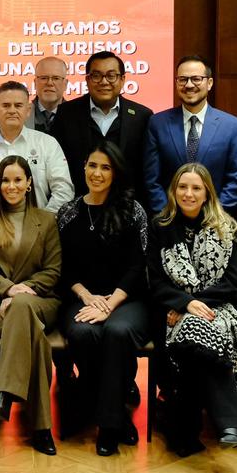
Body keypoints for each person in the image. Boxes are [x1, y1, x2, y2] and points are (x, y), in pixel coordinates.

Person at [149, 163, 237, 457]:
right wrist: (183, 303)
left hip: (217, 308)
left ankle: (182, 428)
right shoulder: (160, 227)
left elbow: (232, 283)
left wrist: (193, 305)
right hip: (169, 309)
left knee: (196, 335)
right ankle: (230, 423)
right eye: (183, 187)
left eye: (196, 188)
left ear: (207, 193)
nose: (189, 194)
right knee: (194, 336)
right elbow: (154, 281)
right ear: (173, 191)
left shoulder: (226, 228)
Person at [56, 140, 150, 456]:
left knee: (116, 331)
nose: (97, 173)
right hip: (82, 298)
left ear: (116, 173)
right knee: (83, 332)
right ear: (83, 168)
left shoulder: (132, 210)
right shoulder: (68, 212)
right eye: (92, 165)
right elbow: (63, 267)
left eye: (105, 167)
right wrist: (86, 297)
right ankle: (110, 408)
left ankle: (109, 425)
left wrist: (110, 304)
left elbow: (139, 266)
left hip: (127, 300)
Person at [0, 156, 63, 456]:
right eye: (5, 180)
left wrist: (25, 291)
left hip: (41, 302)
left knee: (23, 307)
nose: (11, 186)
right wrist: (8, 289)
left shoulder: (47, 220)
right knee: (34, 337)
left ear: (28, 184)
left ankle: (4, 393)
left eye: (17, 180)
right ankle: (41, 429)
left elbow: (53, 270)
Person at [143, 55, 237, 215]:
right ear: (176, 83)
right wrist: (168, 215)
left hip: (215, 221)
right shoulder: (158, 123)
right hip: (169, 222)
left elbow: (235, 178)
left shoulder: (230, 125)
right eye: (183, 79)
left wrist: (214, 216)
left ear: (209, 83)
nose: (189, 85)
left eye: (196, 79)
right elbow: (152, 179)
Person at [0, 81, 73, 222]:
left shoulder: (47, 144)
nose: (12, 110)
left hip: (36, 235)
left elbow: (63, 190)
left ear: (28, 110)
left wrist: (43, 224)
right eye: (6, 105)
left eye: (18, 105)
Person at [51, 52, 153, 199]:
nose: (104, 82)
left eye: (111, 76)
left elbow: (147, 170)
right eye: (96, 76)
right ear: (87, 79)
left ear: (123, 79)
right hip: (80, 204)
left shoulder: (142, 116)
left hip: (127, 206)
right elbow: (57, 165)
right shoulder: (66, 114)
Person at [26, 57, 68, 136]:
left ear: (65, 84)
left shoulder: (80, 117)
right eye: (44, 78)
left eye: (56, 78)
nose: (49, 83)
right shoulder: (22, 115)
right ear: (35, 83)